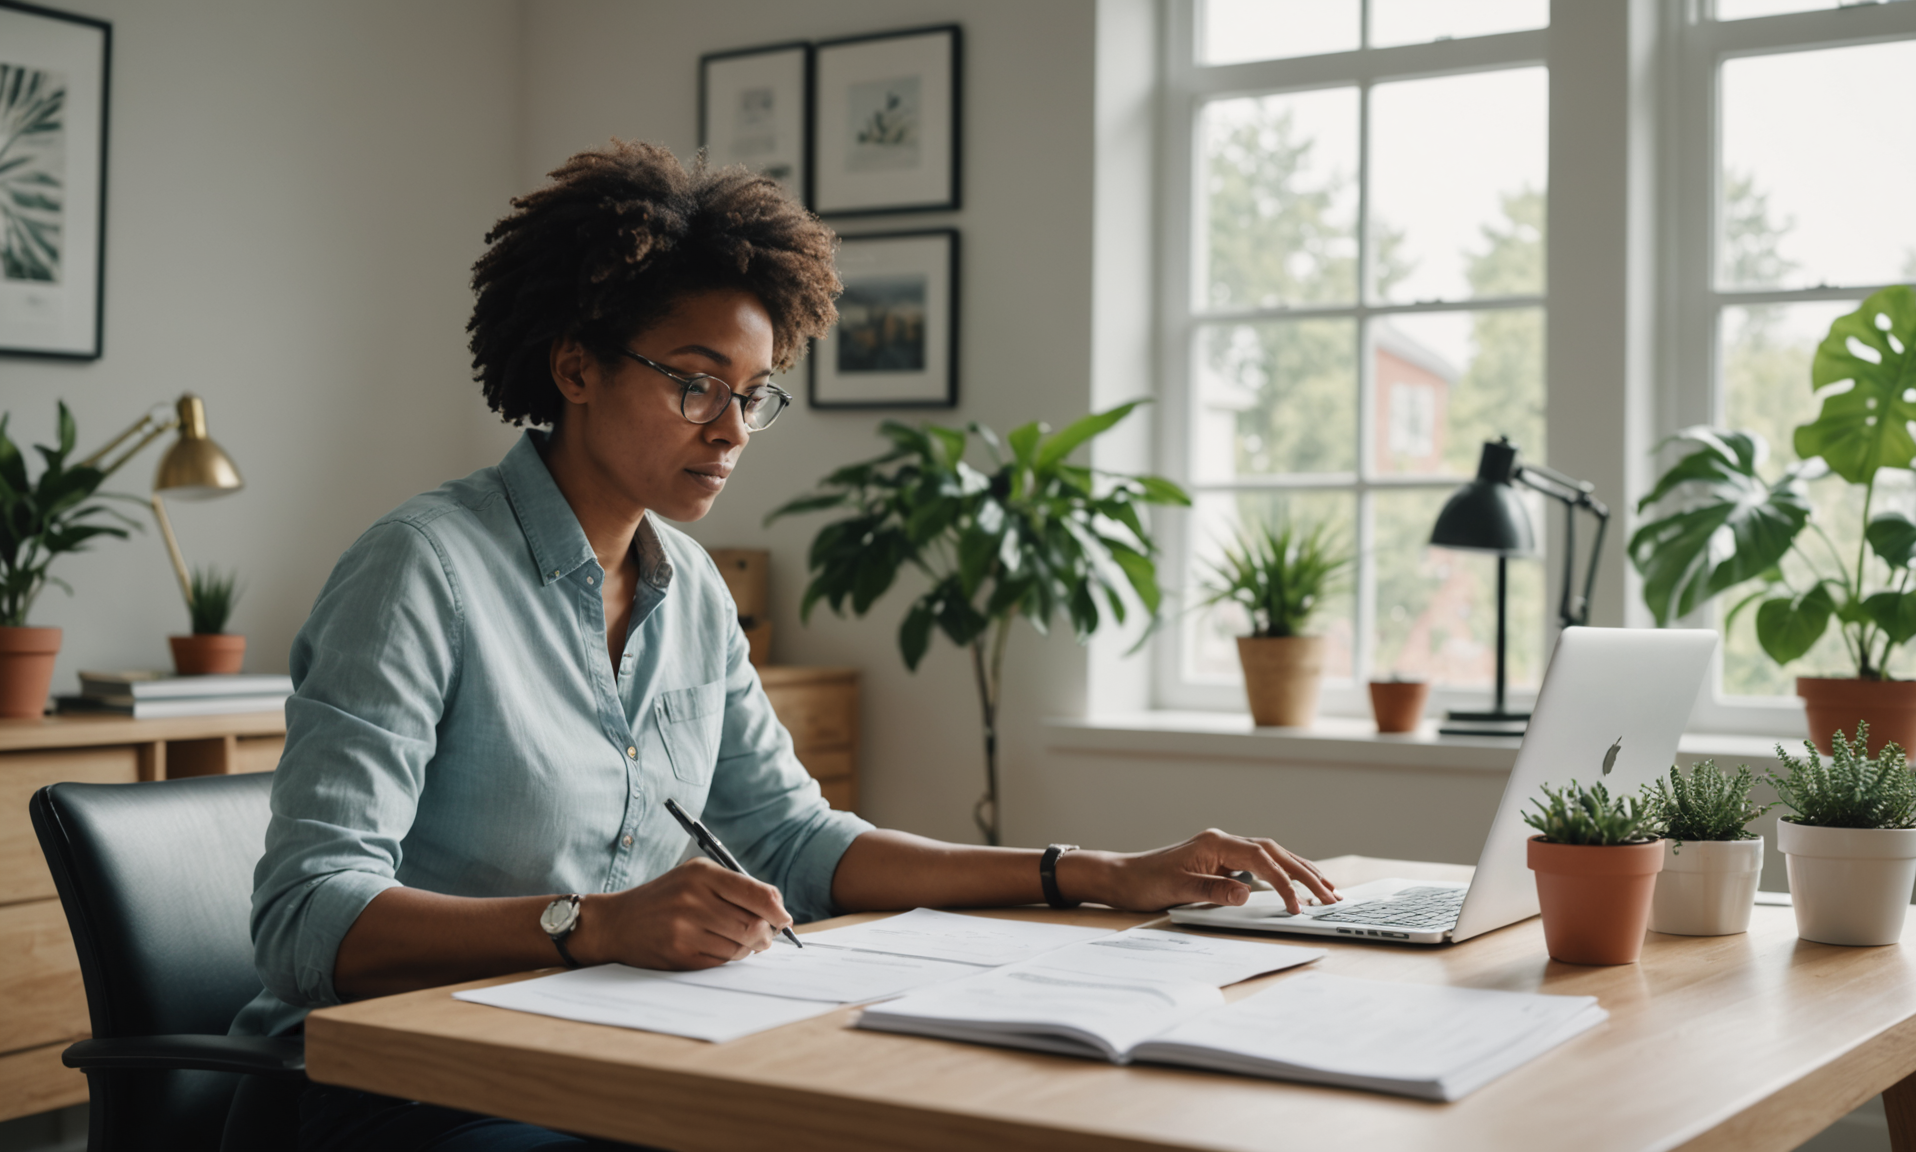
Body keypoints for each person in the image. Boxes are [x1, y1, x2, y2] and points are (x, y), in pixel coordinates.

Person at [233, 140, 1340, 1151]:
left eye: (753, 397)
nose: (727, 429)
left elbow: (798, 842)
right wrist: (596, 925)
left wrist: (1090, 872)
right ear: (575, 367)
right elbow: (304, 915)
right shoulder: (421, 569)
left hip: (604, 1048)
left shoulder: (692, 590)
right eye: (695, 381)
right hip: (395, 1091)